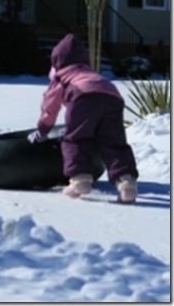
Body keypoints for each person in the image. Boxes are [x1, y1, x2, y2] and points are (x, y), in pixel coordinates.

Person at [27, 33, 139, 203]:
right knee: (114, 143)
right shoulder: (90, 73)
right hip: (113, 95)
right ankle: (127, 183)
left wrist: (43, 130)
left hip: (83, 98)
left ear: (57, 62)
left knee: (75, 138)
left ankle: (80, 180)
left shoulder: (61, 77)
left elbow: (50, 109)